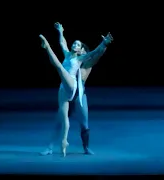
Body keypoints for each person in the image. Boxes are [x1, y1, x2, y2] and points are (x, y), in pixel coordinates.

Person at [39, 23, 113, 157]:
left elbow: (97, 53)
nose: (81, 51)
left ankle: (86, 148)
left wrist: (104, 44)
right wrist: (61, 32)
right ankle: (50, 147)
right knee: (60, 120)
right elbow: (63, 44)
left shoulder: (87, 64)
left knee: (84, 123)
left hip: (79, 95)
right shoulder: (72, 58)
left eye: (83, 49)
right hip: (67, 91)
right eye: (80, 49)